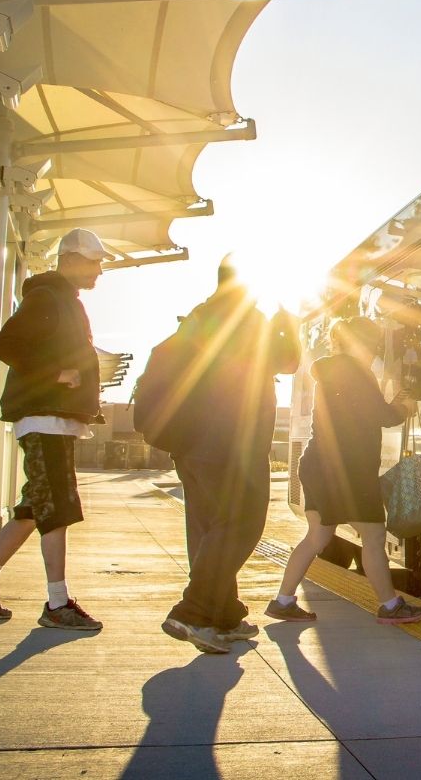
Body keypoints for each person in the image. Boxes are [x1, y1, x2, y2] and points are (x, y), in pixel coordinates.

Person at [0, 228, 111, 630]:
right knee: (55, 509)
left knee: (33, 508)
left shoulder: (62, 299)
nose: (99, 272)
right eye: (94, 262)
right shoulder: (47, 297)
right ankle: (58, 604)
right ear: (71, 259)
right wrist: (57, 373)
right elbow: (6, 345)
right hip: (44, 420)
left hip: (54, 420)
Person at [158, 258, 298, 654]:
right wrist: (288, 323)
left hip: (190, 444)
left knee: (209, 530)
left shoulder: (200, 316)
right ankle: (194, 612)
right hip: (233, 444)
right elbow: (288, 361)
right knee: (240, 524)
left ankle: (224, 615)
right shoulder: (250, 322)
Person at [268, 317, 421, 625]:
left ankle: (283, 600)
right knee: (373, 533)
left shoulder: (330, 371)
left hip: (317, 463)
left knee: (316, 536)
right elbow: (379, 415)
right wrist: (401, 407)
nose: (376, 351)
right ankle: (390, 606)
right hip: (346, 468)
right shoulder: (355, 372)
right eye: (374, 344)